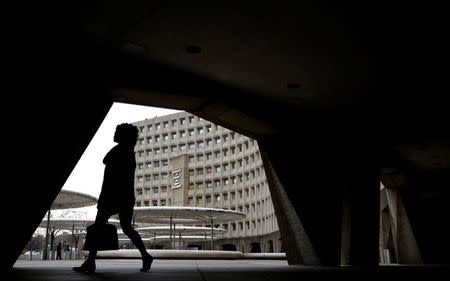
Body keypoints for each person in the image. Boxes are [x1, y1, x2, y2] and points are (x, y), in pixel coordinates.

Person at [73, 123, 153, 273]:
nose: (114, 134)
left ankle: (90, 262)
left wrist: (105, 199)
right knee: (127, 227)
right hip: (125, 196)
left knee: (99, 226)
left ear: (123, 136)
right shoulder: (127, 151)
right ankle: (145, 255)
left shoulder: (121, 150)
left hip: (113, 195)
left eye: (117, 132)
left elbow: (106, 164)